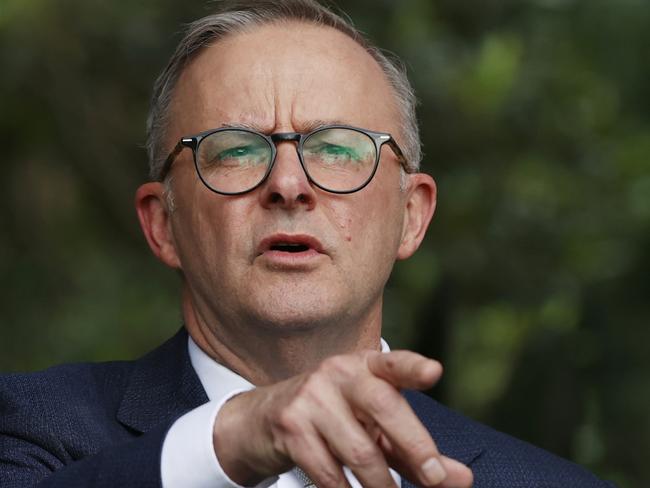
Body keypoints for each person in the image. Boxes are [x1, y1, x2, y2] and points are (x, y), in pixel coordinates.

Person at [0, 1, 614, 487]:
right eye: (236, 149)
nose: (288, 185)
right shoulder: (29, 429)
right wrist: (232, 440)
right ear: (164, 224)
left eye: (340, 148)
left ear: (411, 216)